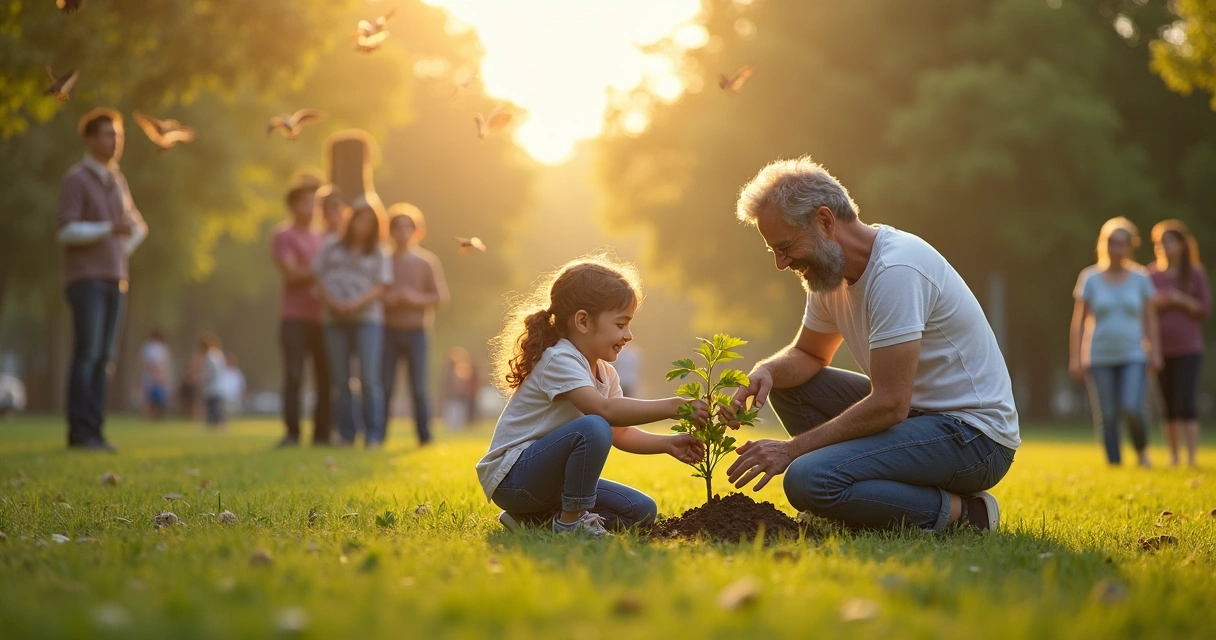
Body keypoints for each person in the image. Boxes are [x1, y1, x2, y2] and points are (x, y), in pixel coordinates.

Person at [723, 156, 1019, 533]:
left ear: (825, 221)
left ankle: (967, 514)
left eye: (784, 246)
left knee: (806, 479)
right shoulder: (828, 274)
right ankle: (854, 494)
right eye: (773, 252)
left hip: (974, 438)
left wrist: (791, 451)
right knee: (789, 385)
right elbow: (810, 354)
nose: (781, 263)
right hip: (918, 419)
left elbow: (891, 404)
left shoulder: (896, 270)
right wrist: (765, 371)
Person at [476, 257, 709, 536]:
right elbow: (604, 411)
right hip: (515, 479)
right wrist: (674, 407)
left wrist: (667, 444)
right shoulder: (560, 358)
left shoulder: (606, 374)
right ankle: (572, 522)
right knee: (594, 425)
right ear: (583, 321)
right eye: (621, 324)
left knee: (640, 510)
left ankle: (533, 520)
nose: (629, 335)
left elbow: (620, 433)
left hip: (550, 484)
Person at [56, 108, 149, 452]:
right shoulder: (76, 179)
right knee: (87, 354)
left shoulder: (117, 181)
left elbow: (138, 225)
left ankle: (95, 430)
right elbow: (66, 230)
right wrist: (110, 230)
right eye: (110, 135)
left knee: (104, 358)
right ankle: (79, 433)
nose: (116, 141)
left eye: (119, 136)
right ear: (91, 139)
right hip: (86, 280)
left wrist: (121, 248)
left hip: (115, 279)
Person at [1070, 217, 1162, 468]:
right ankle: (1115, 464)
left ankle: (1142, 452)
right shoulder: (1090, 277)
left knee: (1132, 407)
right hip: (1099, 355)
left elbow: (1150, 318)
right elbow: (1079, 321)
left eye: (1122, 243)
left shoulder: (1141, 277)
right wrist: (1076, 357)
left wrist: (1155, 351)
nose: (1117, 248)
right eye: (1112, 242)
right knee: (1108, 415)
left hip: (1133, 353)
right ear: (1104, 244)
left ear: (1130, 246)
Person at [313, 203, 391, 448]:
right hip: (334, 319)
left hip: (367, 320)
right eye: (359, 220)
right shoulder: (331, 246)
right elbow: (318, 276)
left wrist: (356, 304)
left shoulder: (379, 251)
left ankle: (374, 434)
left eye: (369, 222)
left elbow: (382, 285)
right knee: (341, 379)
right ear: (351, 220)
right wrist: (333, 301)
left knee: (368, 378)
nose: (362, 226)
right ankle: (346, 434)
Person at [272, 179, 332, 447]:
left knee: (326, 378)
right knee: (294, 375)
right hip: (294, 317)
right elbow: (291, 273)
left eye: (315, 202)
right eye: (306, 202)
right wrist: (321, 272)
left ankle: (322, 435)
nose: (312, 208)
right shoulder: (283, 235)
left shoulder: (326, 237)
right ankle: (292, 433)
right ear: (293, 206)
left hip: (325, 319)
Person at [382, 204, 449, 446]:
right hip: (387, 331)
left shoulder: (427, 261)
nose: (402, 232)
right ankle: (377, 436)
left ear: (417, 231)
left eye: (407, 227)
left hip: (417, 332)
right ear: (389, 231)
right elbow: (374, 294)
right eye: (396, 227)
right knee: (384, 387)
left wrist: (413, 298)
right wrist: (389, 299)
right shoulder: (382, 260)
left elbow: (440, 297)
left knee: (419, 388)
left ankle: (424, 437)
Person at [1149, 220, 1210, 467]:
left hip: (1189, 349)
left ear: (1182, 245)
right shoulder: (1150, 274)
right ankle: (1174, 456)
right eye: (1159, 242)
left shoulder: (1195, 273)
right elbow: (1143, 309)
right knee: (1169, 404)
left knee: (1185, 400)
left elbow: (1204, 309)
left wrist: (1178, 299)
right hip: (1160, 350)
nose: (1162, 246)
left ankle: (1192, 457)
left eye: (1168, 240)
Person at [138, 328, 172, 421]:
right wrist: (158, 375)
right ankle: (153, 417)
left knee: (149, 398)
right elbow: (156, 363)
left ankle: (148, 417)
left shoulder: (147, 346)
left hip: (148, 376)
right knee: (153, 398)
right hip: (156, 376)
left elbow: (142, 363)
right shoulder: (157, 347)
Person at [198, 333, 227, 428]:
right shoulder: (218, 353)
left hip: (213, 387)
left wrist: (204, 379)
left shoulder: (210, 356)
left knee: (214, 411)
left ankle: (218, 427)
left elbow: (212, 372)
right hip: (218, 386)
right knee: (215, 410)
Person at [219, 352, 247, 418]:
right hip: (224, 397)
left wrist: (242, 397)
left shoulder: (238, 373)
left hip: (235, 398)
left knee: (233, 415)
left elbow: (242, 386)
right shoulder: (222, 372)